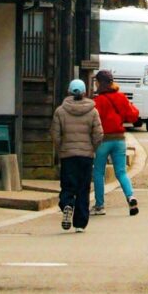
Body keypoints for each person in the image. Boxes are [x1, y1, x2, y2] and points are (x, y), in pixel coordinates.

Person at [50, 78, 103, 232]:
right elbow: (98, 134)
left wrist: (61, 148)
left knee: (67, 185)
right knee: (83, 188)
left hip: (68, 155)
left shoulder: (60, 111)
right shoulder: (93, 111)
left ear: (68, 92)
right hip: (86, 156)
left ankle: (67, 205)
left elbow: (55, 133)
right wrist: (92, 148)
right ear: (85, 92)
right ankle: (80, 223)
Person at [92, 69, 140, 217]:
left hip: (103, 140)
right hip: (119, 139)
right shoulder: (121, 97)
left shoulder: (97, 101)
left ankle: (100, 205)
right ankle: (130, 197)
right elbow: (133, 115)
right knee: (121, 172)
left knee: (98, 172)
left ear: (99, 83)